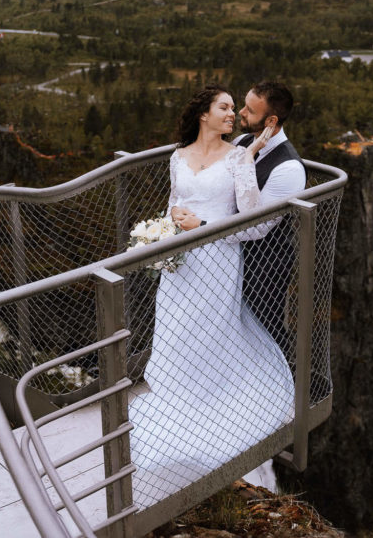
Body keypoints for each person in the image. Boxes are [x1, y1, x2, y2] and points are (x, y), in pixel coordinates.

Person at [129, 85, 295, 506]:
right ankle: (176, 406)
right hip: (179, 260)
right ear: (203, 115)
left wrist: (199, 224)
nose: (232, 114)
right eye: (224, 107)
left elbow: (255, 225)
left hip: (218, 260)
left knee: (209, 336)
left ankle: (213, 413)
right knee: (175, 333)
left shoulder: (240, 156)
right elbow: (173, 202)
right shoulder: (177, 156)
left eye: (236, 108)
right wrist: (166, 230)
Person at [232, 82, 307, 361]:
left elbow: (256, 227)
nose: (241, 113)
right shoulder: (241, 143)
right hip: (231, 256)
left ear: (271, 120)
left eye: (250, 110)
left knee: (266, 328)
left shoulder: (288, 169)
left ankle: (283, 388)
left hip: (265, 264)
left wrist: (204, 229)